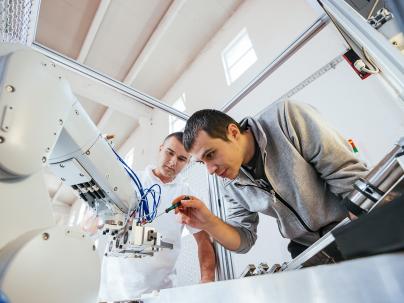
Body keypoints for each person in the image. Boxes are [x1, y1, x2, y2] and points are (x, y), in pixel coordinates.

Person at [173, 100, 368, 262]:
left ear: (233, 132)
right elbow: (244, 239)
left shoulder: (286, 118)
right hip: (306, 247)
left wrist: (364, 236)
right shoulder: (228, 183)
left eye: (211, 154)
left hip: (349, 224)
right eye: (202, 162)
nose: (210, 170)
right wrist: (209, 222)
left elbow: (345, 174)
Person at [99, 132, 216, 302]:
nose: (173, 162)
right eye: (170, 152)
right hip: (114, 290)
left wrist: (207, 280)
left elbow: (204, 240)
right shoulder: (131, 181)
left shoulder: (187, 196)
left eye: (182, 159)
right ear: (160, 148)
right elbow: (101, 212)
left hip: (159, 293)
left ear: (188, 161)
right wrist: (99, 153)